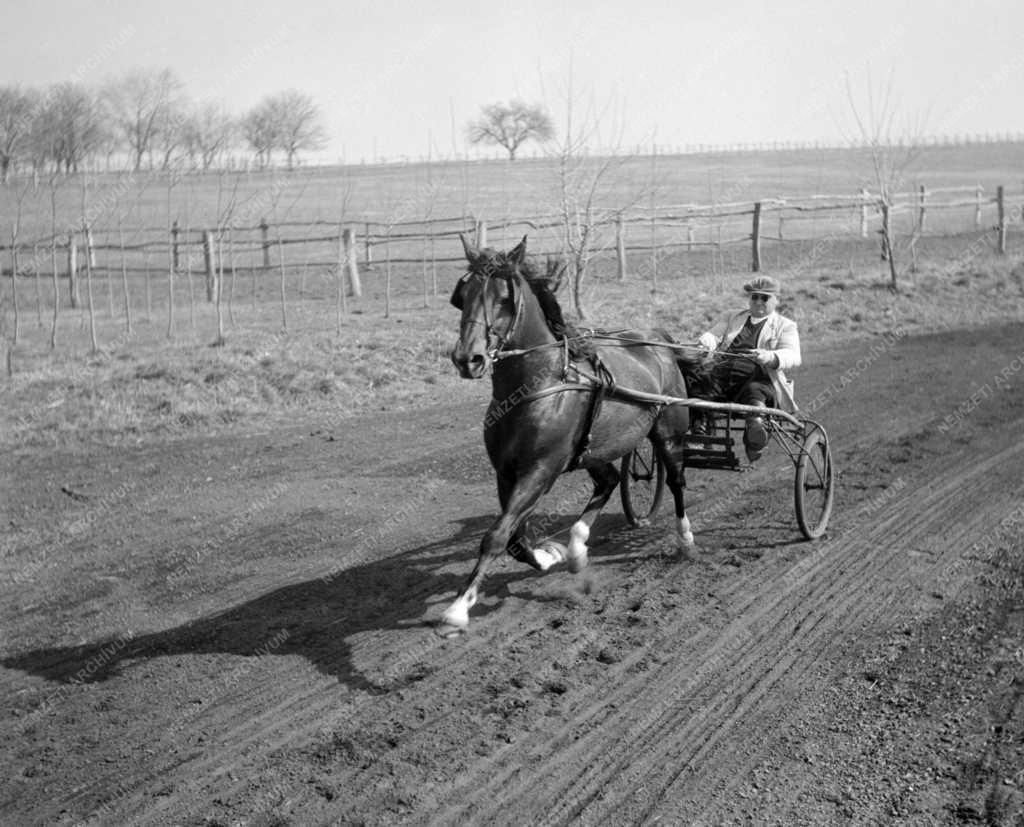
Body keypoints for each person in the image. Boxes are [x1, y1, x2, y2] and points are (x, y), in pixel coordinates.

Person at [690, 275, 801, 461]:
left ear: (776, 300)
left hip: (759, 380)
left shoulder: (785, 326)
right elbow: (714, 335)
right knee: (699, 378)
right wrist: (705, 342)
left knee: (754, 389)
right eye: (754, 297)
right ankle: (700, 429)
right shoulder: (732, 316)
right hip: (723, 377)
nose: (758, 301)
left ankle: (755, 433)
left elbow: (793, 356)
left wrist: (769, 356)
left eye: (764, 298)